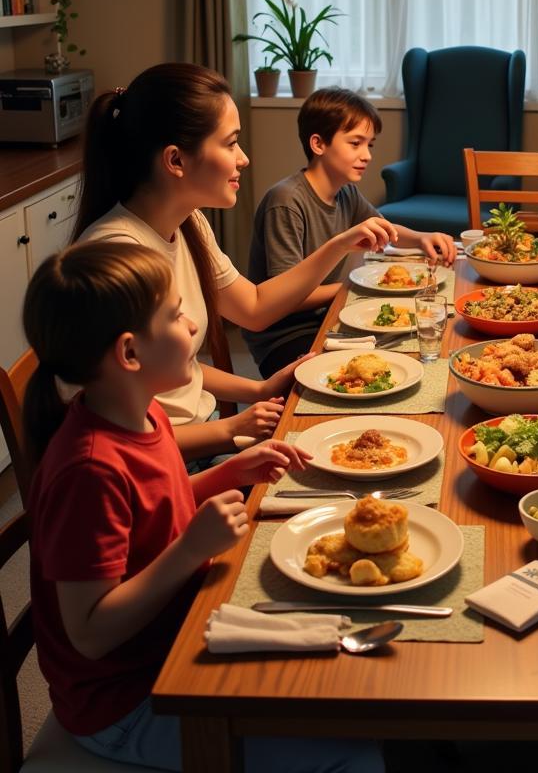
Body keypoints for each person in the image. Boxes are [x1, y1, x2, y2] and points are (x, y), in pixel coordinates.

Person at [25, 240, 383, 772]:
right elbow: (91, 632)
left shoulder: (144, 415)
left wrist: (229, 473)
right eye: (174, 314)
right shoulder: (89, 470)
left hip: (181, 632)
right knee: (353, 754)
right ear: (129, 353)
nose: (193, 322)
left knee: (347, 658)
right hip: (127, 702)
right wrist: (191, 549)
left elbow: (154, 510)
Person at [72, 63, 398, 461]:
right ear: (176, 160)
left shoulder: (189, 224)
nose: (243, 159)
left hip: (200, 443)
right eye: (230, 144)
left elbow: (253, 308)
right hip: (164, 470)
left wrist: (259, 391)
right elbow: (116, 443)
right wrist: (231, 431)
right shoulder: (120, 255)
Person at [244, 89, 456, 378]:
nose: (366, 155)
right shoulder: (286, 201)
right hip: (285, 337)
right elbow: (286, 297)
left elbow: (385, 228)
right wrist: (355, 288)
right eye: (355, 143)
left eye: (370, 145)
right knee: (389, 365)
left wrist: (420, 237)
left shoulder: (345, 193)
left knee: (411, 347)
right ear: (318, 144)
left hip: (326, 319)